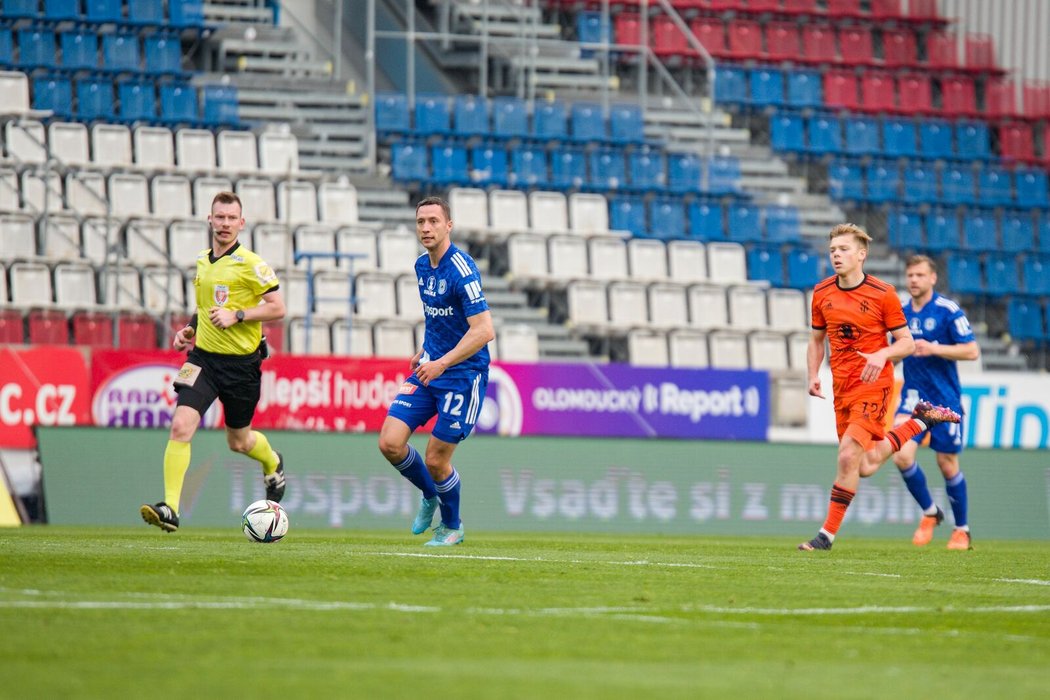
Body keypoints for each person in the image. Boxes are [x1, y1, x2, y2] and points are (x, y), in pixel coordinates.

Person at [799, 224, 960, 551]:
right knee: (866, 465)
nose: (836, 255)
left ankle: (825, 536)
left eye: (843, 250)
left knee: (847, 457)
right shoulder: (822, 292)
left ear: (862, 254)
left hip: (875, 385)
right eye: (832, 250)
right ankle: (919, 422)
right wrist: (813, 373)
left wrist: (882, 353)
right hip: (842, 387)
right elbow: (816, 340)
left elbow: (907, 343)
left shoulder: (882, 293)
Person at [141, 191, 287, 532]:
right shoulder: (203, 261)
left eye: (230, 218)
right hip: (202, 359)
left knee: (239, 441)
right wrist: (189, 330)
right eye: (219, 217)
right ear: (210, 219)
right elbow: (205, 309)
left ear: (241, 222)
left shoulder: (252, 263)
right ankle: (171, 509)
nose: (224, 223)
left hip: (241, 366)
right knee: (180, 425)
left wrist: (238, 315)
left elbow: (278, 307)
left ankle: (272, 461)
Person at [377, 196, 494, 546]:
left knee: (436, 458)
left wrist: (443, 361)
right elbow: (440, 318)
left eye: (433, 221)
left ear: (448, 226)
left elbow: (484, 330)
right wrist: (427, 351)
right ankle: (429, 496)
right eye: (420, 222)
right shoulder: (421, 266)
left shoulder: (462, 269)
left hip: (463, 375)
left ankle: (453, 526)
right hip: (432, 367)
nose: (426, 228)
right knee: (390, 443)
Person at [890, 255, 979, 551]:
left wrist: (935, 348)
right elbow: (894, 352)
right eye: (910, 275)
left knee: (947, 463)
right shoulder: (900, 314)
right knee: (901, 455)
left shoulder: (947, 310)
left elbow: (972, 351)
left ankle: (962, 530)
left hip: (945, 400)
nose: (913, 280)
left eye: (919, 275)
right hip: (913, 399)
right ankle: (930, 512)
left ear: (932, 278)